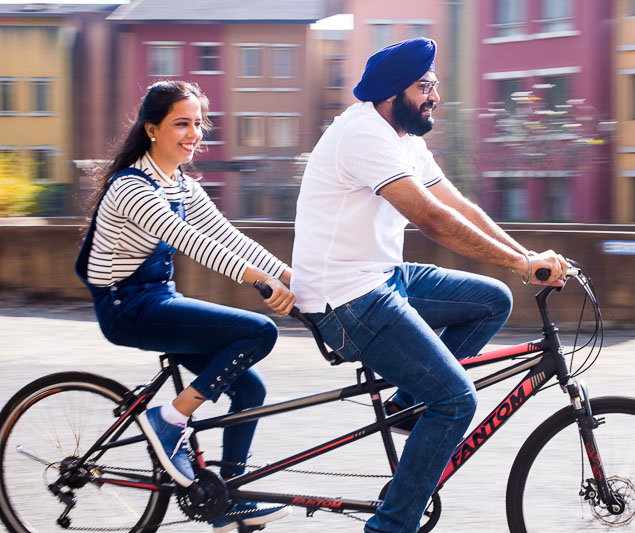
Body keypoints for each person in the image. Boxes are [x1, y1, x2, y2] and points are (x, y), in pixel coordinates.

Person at [291, 38, 569, 533]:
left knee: (491, 300)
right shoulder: (363, 133)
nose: (434, 95)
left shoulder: (405, 139)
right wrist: (521, 264)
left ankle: (407, 407)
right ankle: (391, 525)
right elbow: (431, 220)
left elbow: (457, 205)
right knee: (457, 400)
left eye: (435, 84)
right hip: (345, 298)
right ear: (392, 92)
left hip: (381, 279)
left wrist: (524, 259)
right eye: (425, 86)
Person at [75, 81, 293, 532]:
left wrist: (295, 278)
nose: (194, 132)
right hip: (126, 308)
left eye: (198, 123)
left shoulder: (181, 184)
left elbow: (229, 237)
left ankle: (230, 496)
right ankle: (169, 419)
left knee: (250, 391)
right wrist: (263, 284)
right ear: (151, 129)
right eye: (182, 123)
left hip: (160, 299)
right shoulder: (130, 187)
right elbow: (191, 243)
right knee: (259, 332)